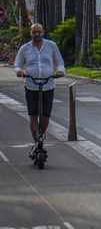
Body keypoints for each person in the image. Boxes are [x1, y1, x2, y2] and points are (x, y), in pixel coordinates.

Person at [14, 23, 65, 157]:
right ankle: (37, 142)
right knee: (33, 114)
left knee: (46, 115)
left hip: (48, 84)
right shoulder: (25, 48)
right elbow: (18, 64)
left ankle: (40, 134)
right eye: (34, 32)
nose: (36, 35)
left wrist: (60, 71)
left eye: (39, 32)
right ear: (30, 33)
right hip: (31, 84)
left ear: (43, 32)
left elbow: (59, 62)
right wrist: (19, 71)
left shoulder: (51, 46)